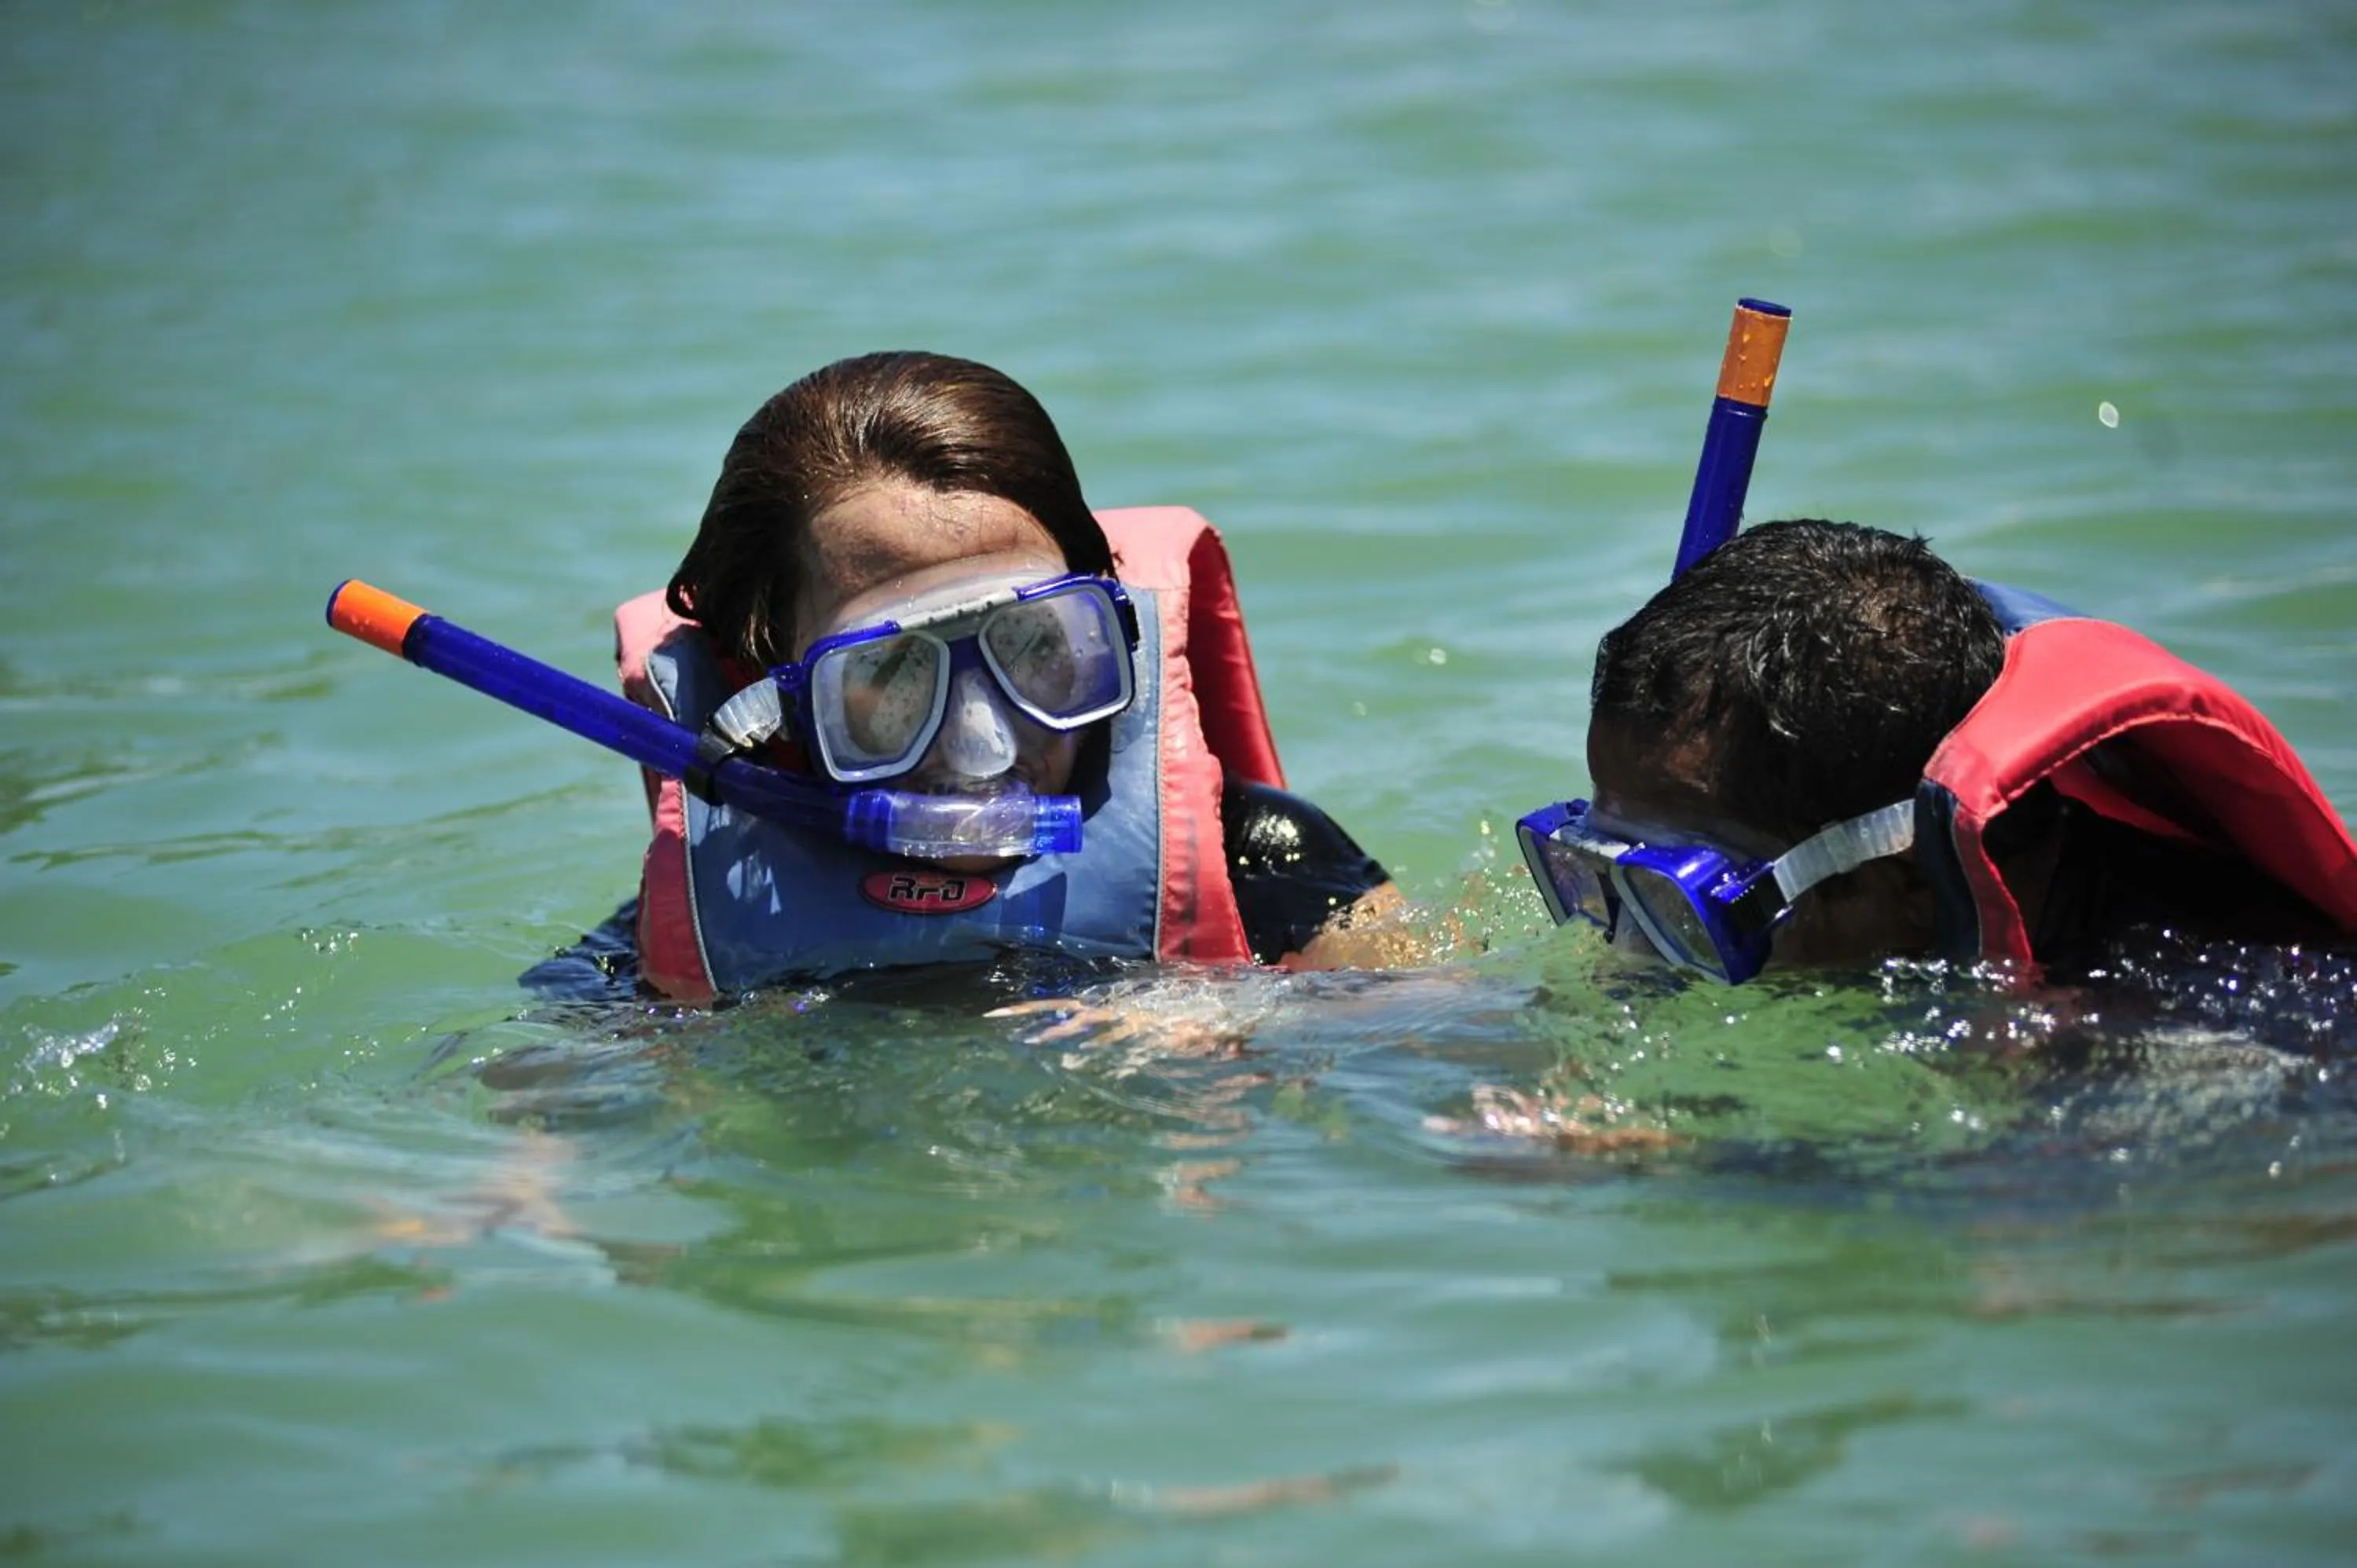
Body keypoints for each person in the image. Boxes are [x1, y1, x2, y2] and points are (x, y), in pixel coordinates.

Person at [593, 350, 1397, 1002]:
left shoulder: (1257, 856)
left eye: (1035, 645)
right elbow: (548, 1124)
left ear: (1112, 633)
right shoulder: (705, 923)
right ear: (779, 706)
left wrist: (1235, 1022)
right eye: (892, 670)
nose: (983, 742)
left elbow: (1441, 1049)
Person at [1516, 518, 2357, 982]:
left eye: (1681, 905)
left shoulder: (2190, 1028)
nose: (1620, 957)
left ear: (1910, 885)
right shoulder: (1894, 916)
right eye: (1599, 870)